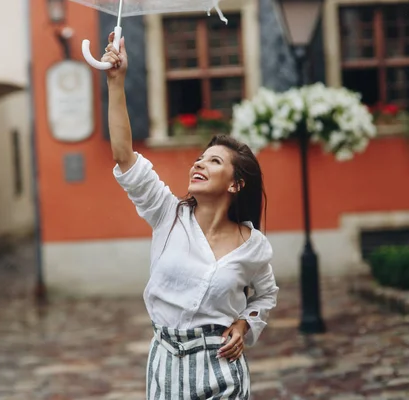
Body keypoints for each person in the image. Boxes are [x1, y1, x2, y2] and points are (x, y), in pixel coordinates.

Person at [101, 32, 279, 400]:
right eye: (201, 157)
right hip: (166, 364)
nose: (199, 162)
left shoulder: (253, 246)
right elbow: (123, 155)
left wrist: (246, 323)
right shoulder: (167, 213)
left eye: (214, 161)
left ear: (235, 185)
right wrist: (115, 83)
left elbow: (266, 295)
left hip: (221, 367)